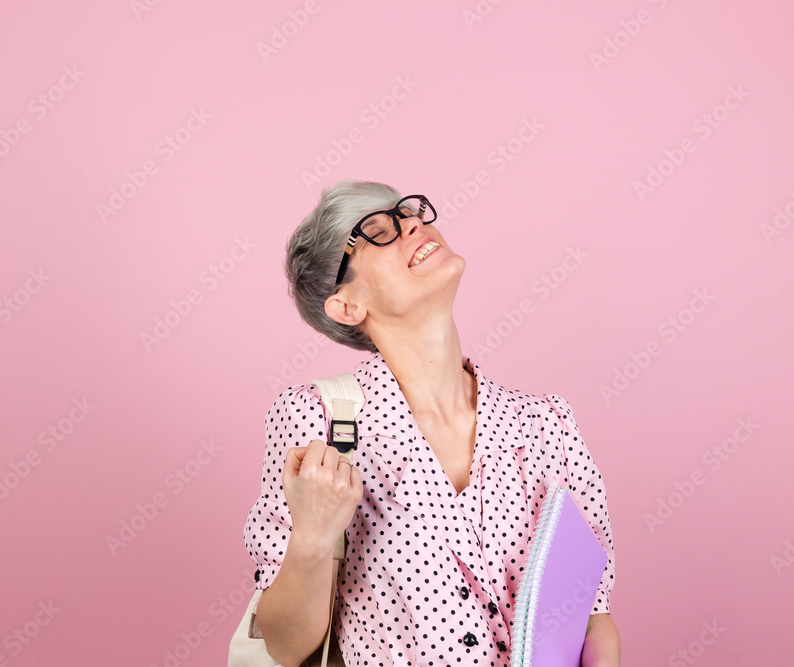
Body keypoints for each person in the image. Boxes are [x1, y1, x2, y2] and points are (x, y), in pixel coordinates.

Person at [244, 180, 620, 667]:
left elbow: (592, 616)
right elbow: (284, 645)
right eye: (377, 231)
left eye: (410, 213)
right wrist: (314, 536)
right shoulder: (319, 421)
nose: (414, 224)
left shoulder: (546, 425)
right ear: (347, 305)